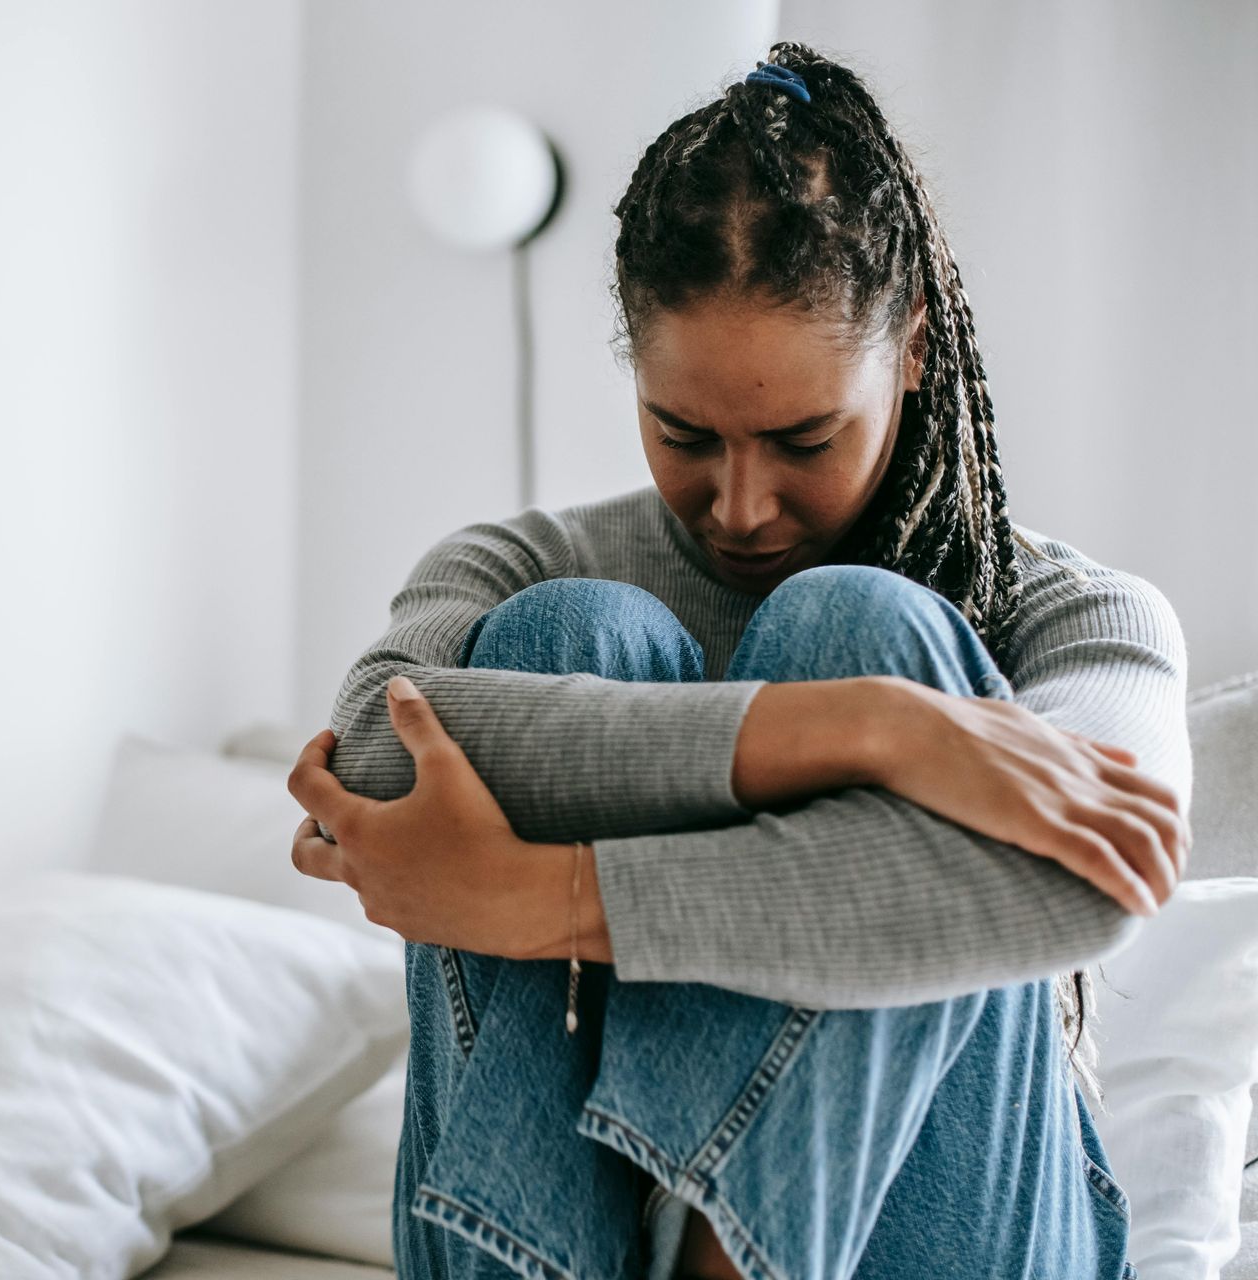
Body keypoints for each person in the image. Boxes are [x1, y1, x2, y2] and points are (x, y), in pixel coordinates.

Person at [284, 42, 1190, 1280]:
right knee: (569, 636)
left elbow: (1095, 880)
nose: (743, 505)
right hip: (561, 1232)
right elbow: (373, 756)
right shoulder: (515, 561)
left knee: (867, 621)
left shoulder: (1067, 611)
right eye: (684, 432)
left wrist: (544, 897)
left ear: (914, 349)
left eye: (804, 436)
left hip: (944, 1233)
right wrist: (871, 730)